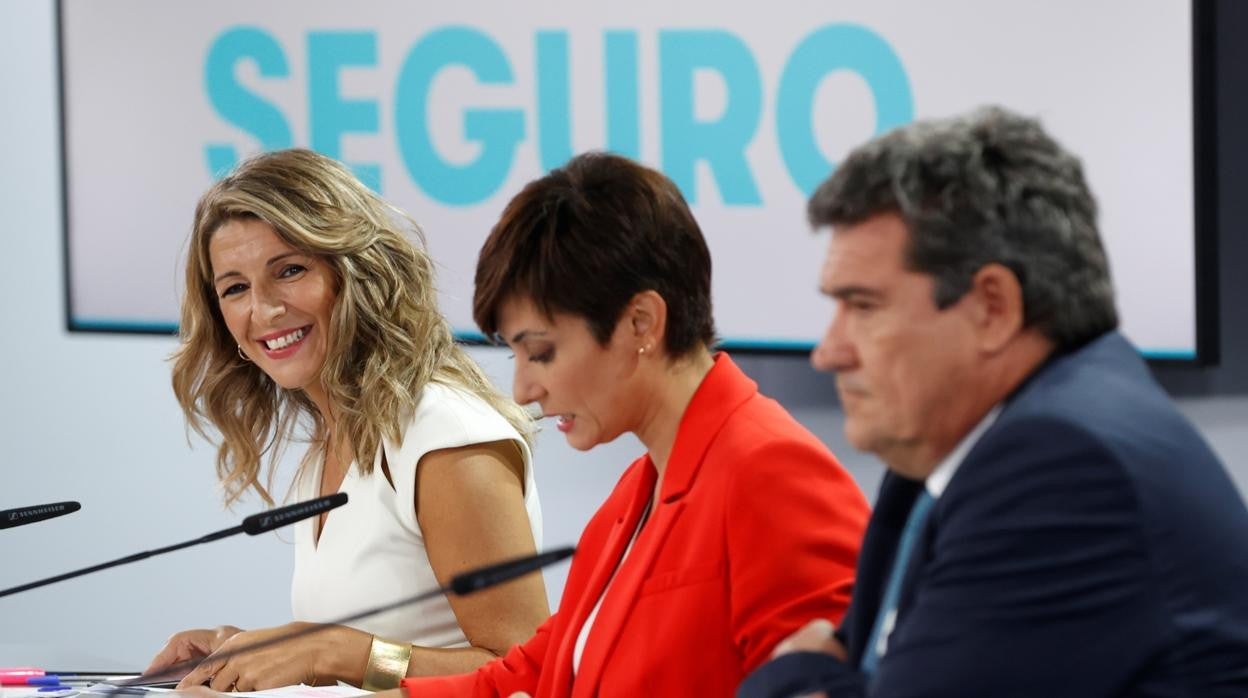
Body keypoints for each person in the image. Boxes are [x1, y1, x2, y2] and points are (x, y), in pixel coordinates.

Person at [739, 107, 1248, 697]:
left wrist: (788, 674)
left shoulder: (1063, 468)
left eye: (864, 307)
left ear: (992, 308)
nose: (829, 352)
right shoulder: (954, 447)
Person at [385, 152, 871, 697]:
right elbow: (537, 673)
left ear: (641, 322)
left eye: (540, 352)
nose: (523, 389)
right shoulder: (632, 496)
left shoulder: (773, 473)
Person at [145, 149, 550, 692]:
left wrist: (331, 652)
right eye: (235, 288)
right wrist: (256, 652)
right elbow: (370, 648)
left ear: (354, 274)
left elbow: (527, 675)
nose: (263, 311)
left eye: (289, 270)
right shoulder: (338, 433)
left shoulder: (446, 434)